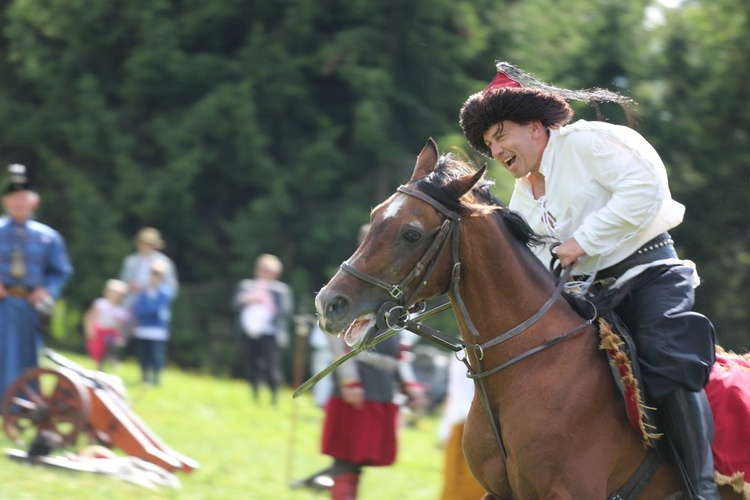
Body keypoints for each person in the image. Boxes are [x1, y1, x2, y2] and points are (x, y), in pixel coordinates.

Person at [459, 61, 718, 498]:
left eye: (501, 134)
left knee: (666, 355)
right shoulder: (522, 196)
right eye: (488, 144)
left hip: (650, 273)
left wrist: (581, 241)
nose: (496, 150)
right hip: (588, 296)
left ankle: (703, 489)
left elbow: (645, 188)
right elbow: (538, 264)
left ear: (536, 127)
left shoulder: (589, 141)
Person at [292, 225, 426, 500]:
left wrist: (407, 383)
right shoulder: (352, 283)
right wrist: (349, 381)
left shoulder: (396, 285)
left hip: (383, 387)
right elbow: (335, 337)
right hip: (358, 384)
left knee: (360, 456)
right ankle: (324, 484)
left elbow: (398, 342)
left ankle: (317, 481)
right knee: (349, 457)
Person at [0, 164, 73, 398]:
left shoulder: (47, 237)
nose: (18, 202)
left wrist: (47, 291)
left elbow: (60, 271)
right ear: (5, 201)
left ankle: (21, 405)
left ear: (34, 202)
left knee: (26, 356)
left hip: (29, 308)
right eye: (13, 197)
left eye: (23, 197)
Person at [233, 253, 293, 405]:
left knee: (272, 366)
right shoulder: (246, 286)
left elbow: (285, 311)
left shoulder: (281, 290)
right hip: (250, 332)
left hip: (271, 333)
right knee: (253, 364)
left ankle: (274, 398)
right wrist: (247, 300)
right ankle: (255, 397)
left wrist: (268, 311)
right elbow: (234, 304)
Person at [437, 356, 485, 500]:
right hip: (465, 421)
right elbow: (455, 391)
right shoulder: (461, 352)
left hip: (474, 422)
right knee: (457, 480)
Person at [131, 260, 175, 385]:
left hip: (157, 330)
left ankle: (156, 377)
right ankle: (144, 376)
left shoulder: (165, 292)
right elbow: (137, 309)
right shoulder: (144, 292)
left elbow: (156, 309)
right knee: (143, 354)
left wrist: (145, 311)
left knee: (156, 355)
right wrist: (146, 311)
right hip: (143, 328)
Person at [119, 227, 179, 307]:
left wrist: (155, 290)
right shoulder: (130, 261)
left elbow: (172, 288)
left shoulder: (165, 262)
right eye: (145, 243)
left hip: (154, 306)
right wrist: (130, 287)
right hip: (131, 303)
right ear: (139, 244)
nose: (148, 247)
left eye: (151, 244)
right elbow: (122, 284)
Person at [84, 279, 130, 372]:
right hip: (99, 332)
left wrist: (119, 337)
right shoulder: (100, 304)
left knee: (110, 349)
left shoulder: (121, 311)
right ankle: (99, 367)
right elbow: (89, 318)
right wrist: (89, 329)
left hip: (110, 334)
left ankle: (110, 363)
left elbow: (120, 327)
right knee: (98, 351)